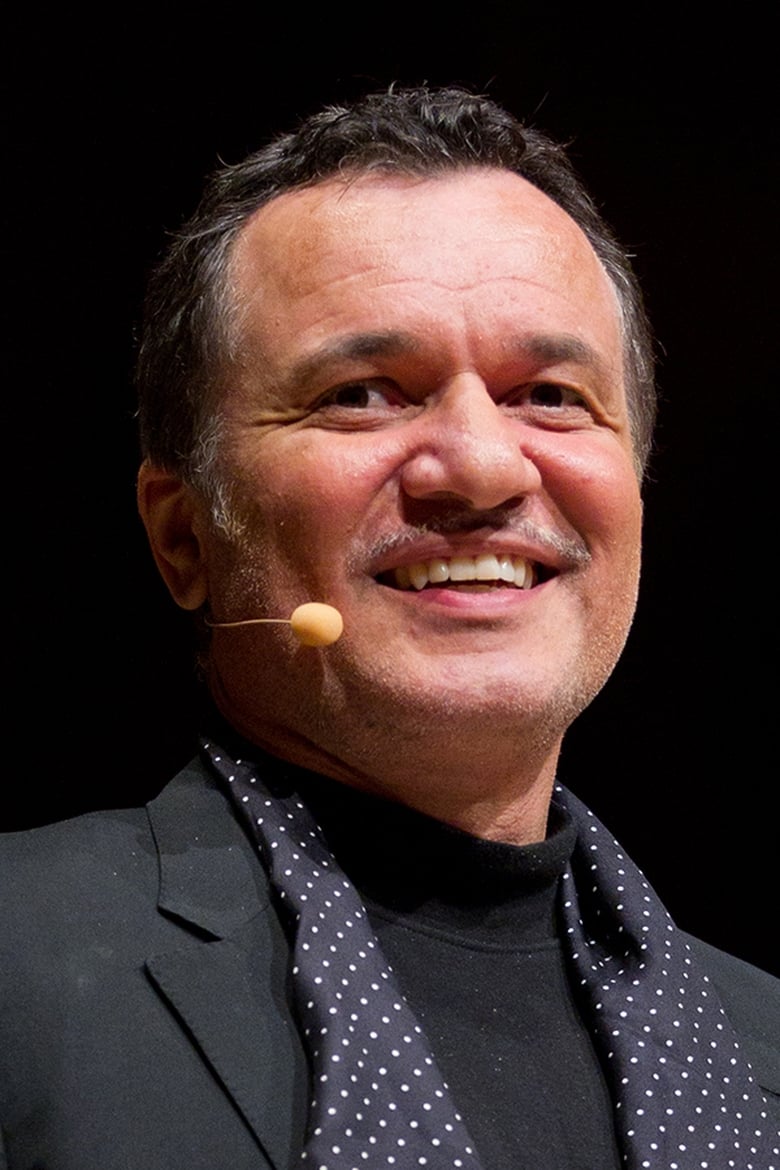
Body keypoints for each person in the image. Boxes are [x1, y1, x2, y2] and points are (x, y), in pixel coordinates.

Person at [1, 87, 777, 1170]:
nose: (483, 466)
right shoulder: (19, 962)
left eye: (552, 395)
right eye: (363, 393)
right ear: (183, 537)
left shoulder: (763, 1048)